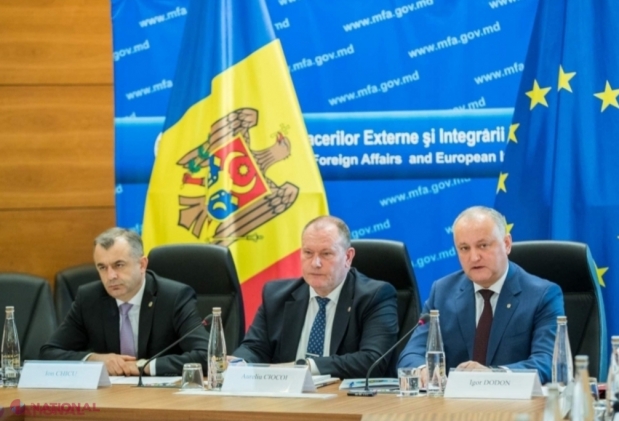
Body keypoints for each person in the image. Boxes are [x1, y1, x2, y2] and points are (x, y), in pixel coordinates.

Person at [398, 206, 564, 384]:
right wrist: (423, 370)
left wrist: (492, 375)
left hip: (512, 400)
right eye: (464, 248)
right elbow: (411, 354)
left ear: (507, 244)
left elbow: (547, 362)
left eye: (483, 246)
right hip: (453, 401)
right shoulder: (442, 292)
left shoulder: (542, 295)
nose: (474, 257)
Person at [232, 216, 399, 379]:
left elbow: (372, 361)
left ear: (348, 257)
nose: (315, 263)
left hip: (344, 396)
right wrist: (239, 363)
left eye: (326, 254)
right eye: (308, 253)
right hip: (287, 395)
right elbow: (254, 348)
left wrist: (305, 367)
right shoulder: (276, 296)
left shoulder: (375, 296)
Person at [40, 228, 209, 376]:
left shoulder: (173, 297)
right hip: (109, 395)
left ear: (142, 265)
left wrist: (144, 366)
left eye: (119, 265)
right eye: (102, 267)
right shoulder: (89, 298)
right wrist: (94, 359)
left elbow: (207, 355)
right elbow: (49, 353)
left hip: (162, 395)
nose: (110, 276)